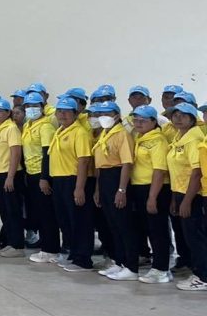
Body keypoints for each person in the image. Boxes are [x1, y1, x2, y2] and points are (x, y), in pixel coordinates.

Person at [86, 101, 137, 280]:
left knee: (124, 225)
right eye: (100, 114)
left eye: (107, 114)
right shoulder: (105, 133)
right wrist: (98, 189)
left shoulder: (122, 134)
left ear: (116, 115)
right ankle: (119, 261)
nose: (103, 117)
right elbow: (100, 165)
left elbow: (126, 164)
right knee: (113, 224)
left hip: (117, 178)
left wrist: (121, 190)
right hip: (105, 179)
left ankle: (131, 267)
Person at [50, 97, 95, 272]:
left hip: (74, 180)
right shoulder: (60, 130)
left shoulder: (79, 132)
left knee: (80, 221)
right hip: (59, 180)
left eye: (67, 111)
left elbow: (83, 161)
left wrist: (79, 187)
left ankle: (83, 259)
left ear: (76, 114)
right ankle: (73, 253)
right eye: (60, 111)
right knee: (66, 220)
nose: (63, 114)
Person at [128, 105, 172, 283]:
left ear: (154, 122)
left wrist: (152, 197)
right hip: (139, 187)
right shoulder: (139, 137)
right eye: (136, 120)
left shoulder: (158, 141)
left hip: (155, 189)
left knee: (157, 230)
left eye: (143, 120)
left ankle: (161, 269)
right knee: (146, 228)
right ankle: (154, 264)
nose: (138, 123)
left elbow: (159, 171)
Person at [167, 102, 207, 291]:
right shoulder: (179, 137)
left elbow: (196, 172)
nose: (178, 118)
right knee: (190, 237)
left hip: (192, 195)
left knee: (196, 237)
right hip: (180, 192)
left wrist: (187, 201)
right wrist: (175, 198)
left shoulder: (192, 139)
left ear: (192, 119)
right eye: (175, 115)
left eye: (183, 115)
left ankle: (203, 277)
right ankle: (198, 271)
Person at [22, 92, 61, 264]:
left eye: (35, 106)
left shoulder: (46, 126)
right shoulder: (28, 125)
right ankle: (45, 247)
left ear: (43, 107)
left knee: (47, 213)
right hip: (31, 173)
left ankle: (51, 250)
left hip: (42, 174)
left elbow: (47, 154)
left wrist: (44, 178)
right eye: (28, 106)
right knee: (39, 212)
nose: (31, 109)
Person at [0, 99, 25, 257]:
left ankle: (18, 246)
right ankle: (10, 242)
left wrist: (10, 177)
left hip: (9, 174)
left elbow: (16, 154)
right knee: (4, 212)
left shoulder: (11, 128)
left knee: (13, 211)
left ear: (8, 112)